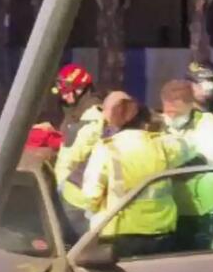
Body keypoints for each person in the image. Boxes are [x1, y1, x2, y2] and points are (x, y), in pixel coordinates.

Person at [81, 92, 194, 258]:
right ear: (144, 120)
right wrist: (164, 126)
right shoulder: (161, 143)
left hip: (120, 234)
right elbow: (189, 148)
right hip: (161, 232)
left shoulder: (106, 148)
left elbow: (90, 196)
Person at [160, 79, 213, 251]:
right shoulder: (158, 125)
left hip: (202, 210)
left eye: (177, 112)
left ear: (190, 105)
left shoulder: (206, 122)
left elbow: (206, 157)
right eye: (168, 111)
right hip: (171, 209)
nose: (171, 116)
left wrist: (170, 173)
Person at [49, 64, 104, 243]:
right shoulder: (76, 113)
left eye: (67, 91)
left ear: (81, 89)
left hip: (77, 195)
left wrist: (59, 186)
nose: (64, 96)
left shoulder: (92, 118)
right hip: (68, 188)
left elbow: (73, 156)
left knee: (74, 243)